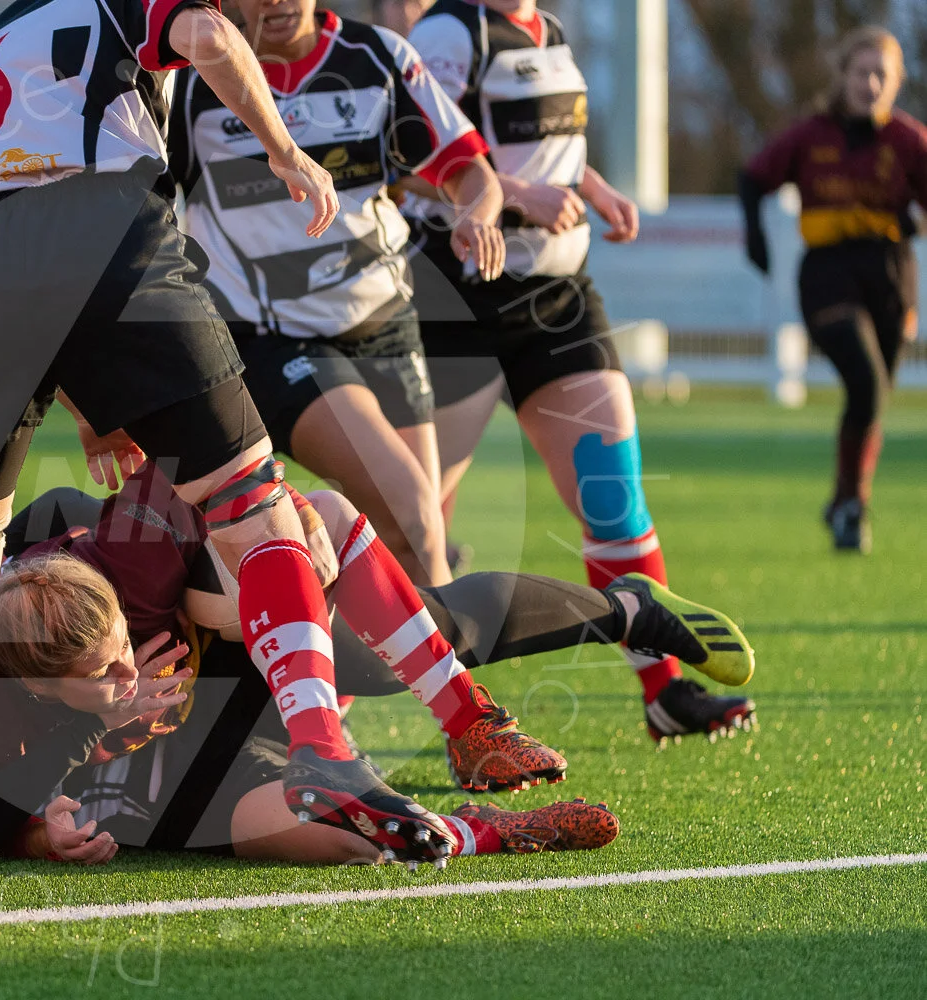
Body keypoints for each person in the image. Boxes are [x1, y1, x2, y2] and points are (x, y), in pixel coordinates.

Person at [0, 0, 437, 880]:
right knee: (256, 514)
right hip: (106, 228)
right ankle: (325, 751)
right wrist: (284, 148)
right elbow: (210, 38)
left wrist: (86, 398)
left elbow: (20, 225)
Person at [0, 472, 752, 867]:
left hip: (226, 664)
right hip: (171, 763)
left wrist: (269, 567)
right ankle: (487, 832)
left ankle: (618, 614)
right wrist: (50, 823)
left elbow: (119, 509)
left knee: (361, 580)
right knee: (299, 836)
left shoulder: (37, 568)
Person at [398, 0, 758, 746]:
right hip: (459, 303)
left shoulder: (550, 31)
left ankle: (663, 690)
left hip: (558, 300)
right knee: (416, 528)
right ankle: (435, 724)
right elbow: (408, 157)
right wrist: (516, 197)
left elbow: (544, 146)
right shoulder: (448, 32)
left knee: (612, 494)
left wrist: (591, 188)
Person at [167, 0, 506, 587]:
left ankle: (362, 677)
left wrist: (476, 216)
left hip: (385, 323)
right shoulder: (196, 81)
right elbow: (140, 206)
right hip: (276, 339)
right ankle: (435, 678)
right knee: (411, 516)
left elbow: (470, 172)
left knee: (418, 555)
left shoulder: (375, 57)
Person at [740, 26, 927, 553]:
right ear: (842, 76)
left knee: (871, 400)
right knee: (865, 382)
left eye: (881, 75)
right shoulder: (810, 135)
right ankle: (852, 504)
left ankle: (846, 501)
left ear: (896, 83)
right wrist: (754, 237)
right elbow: (752, 178)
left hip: (889, 275)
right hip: (827, 273)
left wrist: (911, 223)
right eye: (861, 72)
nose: (870, 83)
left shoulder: (909, 140)